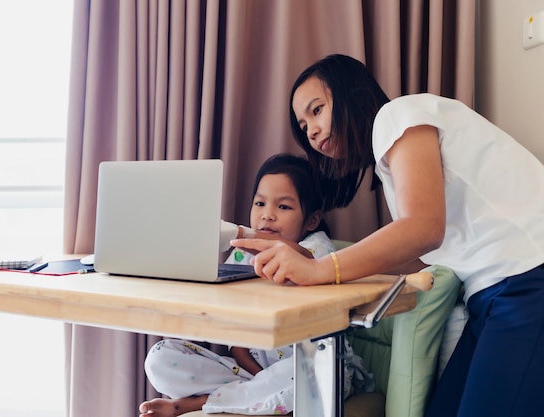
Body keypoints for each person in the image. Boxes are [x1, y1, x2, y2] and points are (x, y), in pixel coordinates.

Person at [232, 54, 544, 417]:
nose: (312, 131)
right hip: (494, 293)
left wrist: (322, 270)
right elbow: (422, 254)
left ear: (350, 93)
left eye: (316, 110)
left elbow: (423, 229)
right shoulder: (394, 161)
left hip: (527, 278)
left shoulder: (399, 115)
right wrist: (316, 263)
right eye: (303, 127)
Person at [139, 153, 374, 417]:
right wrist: (257, 374)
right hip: (252, 372)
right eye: (260, 203)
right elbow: (235, 337)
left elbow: (304, 259)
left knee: (306, 376)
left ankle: (199, 402)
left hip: (312, 366)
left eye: (283, 207)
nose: (267, 216)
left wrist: (246, 234)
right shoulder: (242, 256)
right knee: (159, 357)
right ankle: (255, 395)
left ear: (312, 219)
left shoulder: (317, 247)